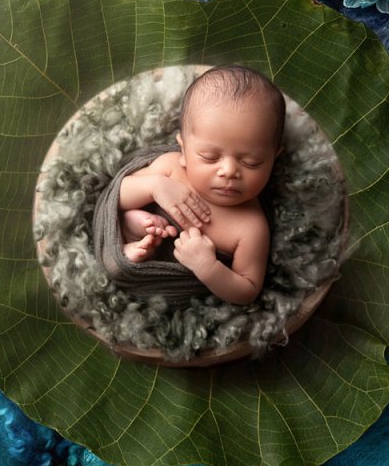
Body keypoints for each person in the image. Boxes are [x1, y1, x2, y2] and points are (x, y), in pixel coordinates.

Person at [116, 65, 285, 305]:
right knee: (132, 217)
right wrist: (155, 186)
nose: (228, 171)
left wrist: (207, 267)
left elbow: (247, 290)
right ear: (184, 150)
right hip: (134, 240)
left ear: (273, 160)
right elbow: (116, 195)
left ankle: (133, 258)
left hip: (172, 293)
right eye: (209, 157)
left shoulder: (251, 227)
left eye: (251, 162)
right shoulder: (171, 167)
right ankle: (129, 239)